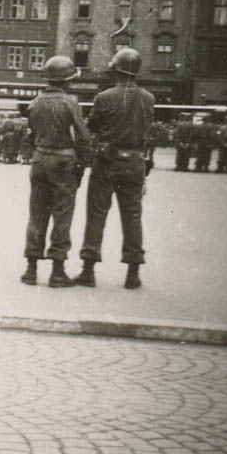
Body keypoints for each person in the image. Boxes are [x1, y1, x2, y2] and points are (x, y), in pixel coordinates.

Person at [75, 48, 153, 290]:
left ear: (116, 69)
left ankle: (88, 271)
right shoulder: (148, 98)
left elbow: (92, 127)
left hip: (106, 162)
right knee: (132, 217)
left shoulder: (104, 97)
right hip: (134, 162)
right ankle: (133, 273)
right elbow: (149, 133)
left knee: (96, 215)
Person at [21, 56, 90, 288]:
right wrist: (81, 163)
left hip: (40, 159)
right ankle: (57, 271)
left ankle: (31, 269)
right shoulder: (70, 103)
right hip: (63, 161)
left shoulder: (35, 102)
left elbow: (29, 134)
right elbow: (83, 137)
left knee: (37, 213)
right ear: (67, 81)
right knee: (62, 215)